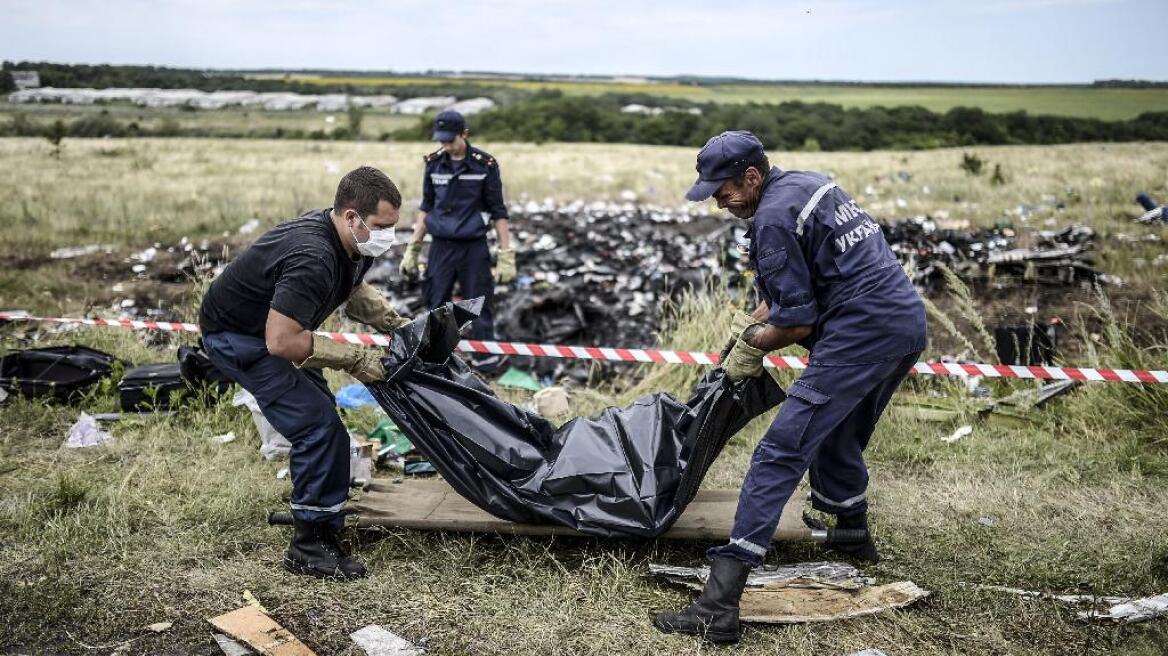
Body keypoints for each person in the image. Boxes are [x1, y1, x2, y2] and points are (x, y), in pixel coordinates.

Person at [654, 131, 927, 643]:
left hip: (861, 334)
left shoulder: (773, 220)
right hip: (903, 325)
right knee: (838, 431)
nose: (719, 202)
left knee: (780, 451)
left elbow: (798, 323)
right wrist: (752, 325)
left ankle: (719, 603)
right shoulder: (804, 186)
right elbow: (789, 298)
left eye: (723, 191)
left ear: (751, 176)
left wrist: (752, 347)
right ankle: (852, 536)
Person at [198, 166, 411, 581]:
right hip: (240, 338)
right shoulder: (312, 256)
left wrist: (396, 325)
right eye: (383, 226)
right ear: (351, 216)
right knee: (316, 426)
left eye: (393, 226)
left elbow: (352, 288)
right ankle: (308, 545)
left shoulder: (351, 241)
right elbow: (281, 341)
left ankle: (324, 514)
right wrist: (355, 359)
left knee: (323, 414)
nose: (389, 236)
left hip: (273, 330)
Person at [398, 110, 513, 368]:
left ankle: (486, 362)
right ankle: (435, 361)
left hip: (473, 248)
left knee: (479, 304)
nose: (446, 146)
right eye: (442, 141)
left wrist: (506, 254)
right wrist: (413, 248)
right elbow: (426, 207)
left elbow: (498, 211)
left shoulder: (485, 165)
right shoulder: (434, 164)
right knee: (436, 303)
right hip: (441, 247)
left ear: (464, 134)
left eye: (451, 140)